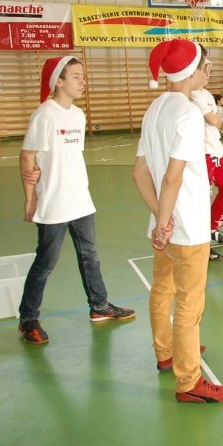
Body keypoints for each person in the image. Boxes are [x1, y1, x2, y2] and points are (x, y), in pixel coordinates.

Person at [132, 38, 223, 403]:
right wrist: (168, 221)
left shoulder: (155, 109)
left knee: (162, 291)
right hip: (187, 226)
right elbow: (173, 177)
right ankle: (189, 382)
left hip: (164, 225)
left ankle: (166, 353)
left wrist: (159, 221)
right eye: (203, 65)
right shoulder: (189, 113)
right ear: (191, 71)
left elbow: (139, 173)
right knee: (190, 304)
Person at [17, 57, 136, 345]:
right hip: (54, 203)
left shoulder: (78, 116)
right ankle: (27, 319)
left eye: (83, 76)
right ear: (59, 81)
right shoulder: (45, 115)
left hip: (80, 199)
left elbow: (69, 157)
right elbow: (28, 157)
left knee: (90, 257)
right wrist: (30, 198)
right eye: (76, 76)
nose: (83, 81)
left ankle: (99, 306)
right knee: (46, 262)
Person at [190, 51, 223, 262]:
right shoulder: (192, 95)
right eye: (205, 70)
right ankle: (202, 245)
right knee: (202, 199)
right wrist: (216, 118)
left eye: (210, 70)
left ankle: (212, 229)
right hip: (203, 154)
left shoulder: (207, 94)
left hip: (218, 151)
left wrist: (219, 120)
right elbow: (213, 119)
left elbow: (217, 119)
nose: (208, 74)